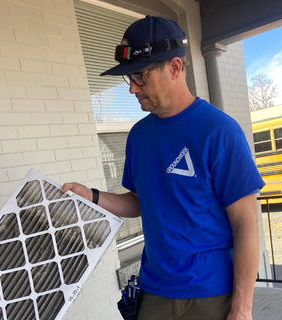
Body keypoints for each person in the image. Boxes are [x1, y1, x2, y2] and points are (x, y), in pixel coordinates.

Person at [61, 16, 265, 320]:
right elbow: (140, 202)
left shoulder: (219, 131)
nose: (132, 88)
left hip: (211, 294)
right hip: (153, 292)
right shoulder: (139, 136)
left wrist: (242, 307)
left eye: (140, 76)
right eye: (128, 78)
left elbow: (247, 223)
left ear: (175, 67)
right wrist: (90, 195)